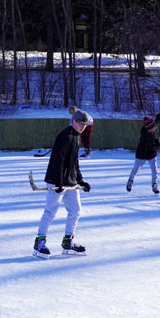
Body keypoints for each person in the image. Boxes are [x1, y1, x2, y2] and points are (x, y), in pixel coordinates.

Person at [34, 109, 92, 257]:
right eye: (80, 124)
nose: (82, 127)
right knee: (50, 211)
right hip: (57, 180)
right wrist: (59, 181)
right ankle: (39, 243)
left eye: (84, 125)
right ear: (73, 120)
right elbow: (57, 160)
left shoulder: (76, 136)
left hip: (70, 181)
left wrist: (80, 180)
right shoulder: (65, 136)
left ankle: (68, 242)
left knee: (76, 210)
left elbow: (74, 161)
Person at [127, 113, 160, 194]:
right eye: (154, 127)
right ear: (150, 129)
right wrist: (157, 145)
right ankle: (130, 181)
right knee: (136, 169)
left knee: (154, 170)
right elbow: (150, 147)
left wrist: (158, 119)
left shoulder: (148, 128)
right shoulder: (145, 137)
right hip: (142, 154)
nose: (155, 127)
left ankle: (154, 185)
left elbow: (153, 123)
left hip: (151, 154)